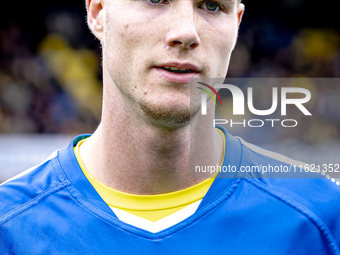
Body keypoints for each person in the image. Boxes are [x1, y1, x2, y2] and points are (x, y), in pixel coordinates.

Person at [1, 0, 340, 254]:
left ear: (236, 24)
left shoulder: (322, 219)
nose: (186, 33)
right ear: (98, 11)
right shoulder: (10, 227)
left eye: (212, 5)